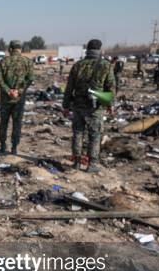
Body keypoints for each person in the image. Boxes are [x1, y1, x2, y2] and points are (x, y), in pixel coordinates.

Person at [62, 39, 115, 173]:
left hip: (78, 105)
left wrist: (66, 106)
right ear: (100, 50)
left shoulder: (78, 65)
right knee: (95, 135)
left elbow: (69, 88)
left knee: (78, 133)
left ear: (87, 50)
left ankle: (76, 163)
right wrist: (110, 104)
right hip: (95, 106)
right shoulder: (106, 65)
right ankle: (92, 164)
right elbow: (111, 87)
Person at [0, 40, 34, 154]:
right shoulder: (27, 62)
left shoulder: (3, 61)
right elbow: (30, 79)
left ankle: (3, 145)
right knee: (17, 123)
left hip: (5, 99)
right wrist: (19, 91)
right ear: (20, 49)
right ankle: (14, 148)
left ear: (10, 49)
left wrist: (8, 91)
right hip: (19, 99)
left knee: (4, 122)